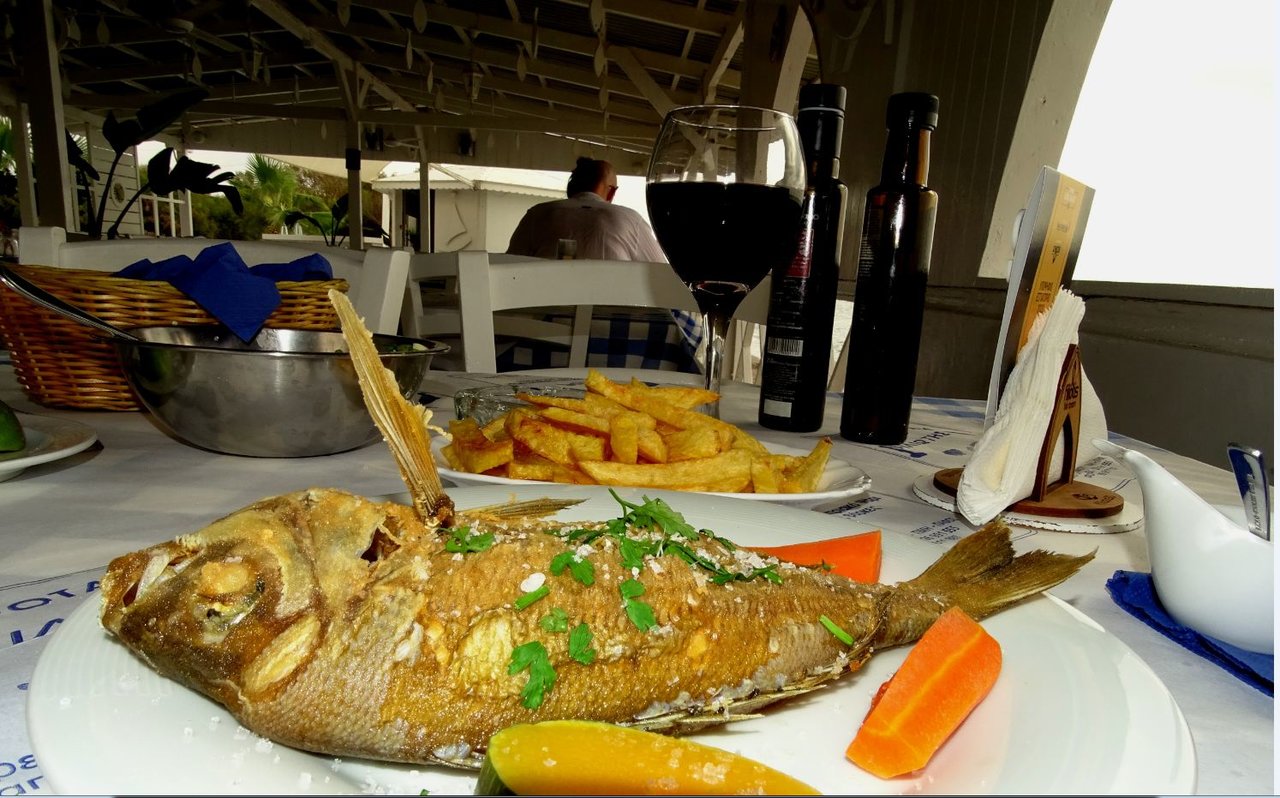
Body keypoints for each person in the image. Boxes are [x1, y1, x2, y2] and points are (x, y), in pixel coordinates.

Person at [505, 157, 668, 263]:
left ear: (571, 187)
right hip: (609, 311)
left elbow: (510, 266)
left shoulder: (537, 214)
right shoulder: (631, 220)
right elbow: (662, 272)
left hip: (541, 312)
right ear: (611, 192)